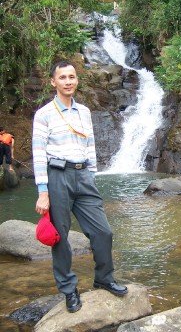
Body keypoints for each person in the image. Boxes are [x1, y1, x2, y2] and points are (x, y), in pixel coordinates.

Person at [32, 60, 128, 313]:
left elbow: (90, 145)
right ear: (53, 82)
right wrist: (43, 191)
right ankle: (68, 289)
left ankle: (104, 278)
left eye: (72, 77)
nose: (68, 81)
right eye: (62, 77)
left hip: (83, 174)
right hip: (57, 177)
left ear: (76, 80)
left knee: (103, 232)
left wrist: (92, 175)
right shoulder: (43, 114)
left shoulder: (84, 111)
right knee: (60, 238)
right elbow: (39, 154)